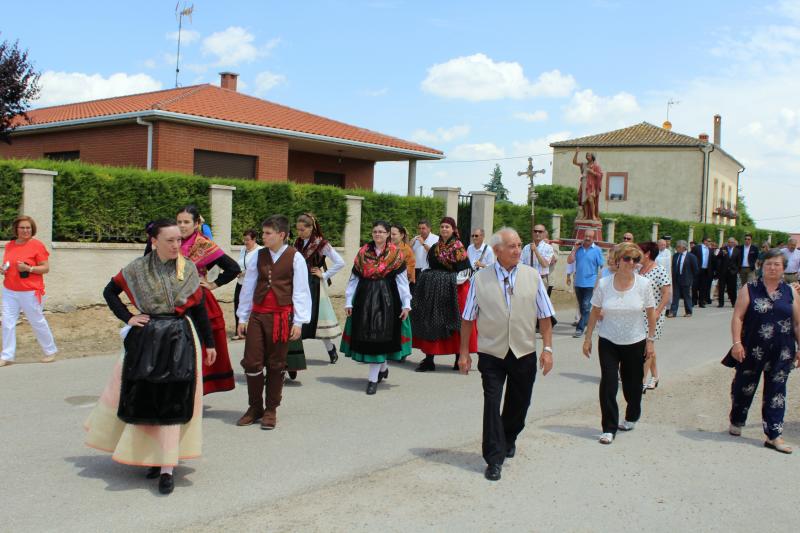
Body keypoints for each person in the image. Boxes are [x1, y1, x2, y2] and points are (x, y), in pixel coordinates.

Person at [84, 219, 216, 495]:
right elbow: (109, 292)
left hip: (179, 337)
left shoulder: (188, 269)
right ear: (154, 241)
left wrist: (209, 343)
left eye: (179, 239)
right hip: (146, 337)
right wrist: (128, 317)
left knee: (173, 399)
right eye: (170, 240)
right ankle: (152, 457)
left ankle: (167, 468)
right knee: (143, 395)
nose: (176, 245)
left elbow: (200, 309)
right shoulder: (137, 269)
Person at [458, 227, 555, 481]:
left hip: (523, 351)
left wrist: (547, 348)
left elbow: (545, 315)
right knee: (491, 403)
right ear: (497, 250)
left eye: (519, 245)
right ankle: (493, 458)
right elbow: (467, 319)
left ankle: (509, 436)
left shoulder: (532, 276)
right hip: (491, 353)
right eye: (512, 246)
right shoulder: (480, 279)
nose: (518, 250)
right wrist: (464, 354)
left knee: (519, 404)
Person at [236, 215, 311, 430]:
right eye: (264, 233)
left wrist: (298, 322)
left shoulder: (295, 257)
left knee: (276, 364)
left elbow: (301, 291)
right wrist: (242, 317)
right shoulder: (257, 256)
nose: (264, 237)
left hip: (281, 317)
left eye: (268, 233)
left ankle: (271, 409)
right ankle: (254, 407)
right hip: (258, 316)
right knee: (251, 362)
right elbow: (248, 287)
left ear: (281, 235)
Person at [582, 243, 656, 445]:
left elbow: (651, 315)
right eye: (626, 259)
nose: (631, 263)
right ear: (618, 260)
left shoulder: (644, 285)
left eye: (635, 260)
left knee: (632, 386)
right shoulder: (604, 283)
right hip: (608, 340)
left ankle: (632, 414)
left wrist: (650, 341)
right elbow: (595, 311)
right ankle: (608, 428)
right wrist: (588, 338)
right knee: (609, 382)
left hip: (635, 341)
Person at [727, 249, 800, 453]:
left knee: (776, 392)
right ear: (761, 266)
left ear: (784, 268)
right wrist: (736, 343)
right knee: (744, 387)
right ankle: (737, 419)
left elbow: (797, 323)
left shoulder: (791, 292)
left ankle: (774, 435)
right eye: (768, 264)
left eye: (777, 264)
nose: (773, 268)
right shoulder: (749, 289)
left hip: (782, 352)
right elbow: (738, 317)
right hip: (752, 350)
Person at [341, 221, 412, 394]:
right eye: (375, 231)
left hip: (387, 298)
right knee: (370, 336)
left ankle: (372, 380)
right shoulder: (363, 252)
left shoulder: (396, 254)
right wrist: (349, 301)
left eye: (381, 232)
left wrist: (406, 304)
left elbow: (402, 282)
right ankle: (382, 367)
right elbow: (354, 278)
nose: (377, 234)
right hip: (364, 297)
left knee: (382, 336)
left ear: (388, 234)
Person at [177, 206, 240, 395]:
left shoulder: (204, 245)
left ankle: (194, 392)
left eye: (186, 222)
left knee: (196, 346)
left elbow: (233, 268)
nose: (181, 225)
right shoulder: (171, 240)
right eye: (179, 221)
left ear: (196, 224)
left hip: (197, 300)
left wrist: (213, 284)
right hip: (172, 299)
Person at [412, 216, 477, 372]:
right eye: (442, 227)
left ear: (453, 229)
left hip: (456, 288)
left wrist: (449, 280)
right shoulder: (435, 247)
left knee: (456, 322)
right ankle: (429, 359)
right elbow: (429, 266)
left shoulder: (459, 248)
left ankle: (458, 358)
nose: (444, 229)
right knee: (431, 321)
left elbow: (466, 271)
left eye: (447, 227)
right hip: (435, 289)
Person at [0, 215, 57, 367]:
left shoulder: (37, 245)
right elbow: (8, 263)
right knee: (7, 322)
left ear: (32, 229)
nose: (25, 230)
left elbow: (46, 268)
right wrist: (3, 269)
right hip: (9, 290)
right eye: (22, 228)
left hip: (30, 291)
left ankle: (50, 351)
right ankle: (6, 356)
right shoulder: (10, 245)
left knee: (36, 321)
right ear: (16, 229)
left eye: (28, 228)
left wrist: (29, 268)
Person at [294, 213, 345, 364]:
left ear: (311, 228)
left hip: (314, 285)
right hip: (298, 282)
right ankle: (295, 355)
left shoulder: (321, 244)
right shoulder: (297, 242)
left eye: (302, 229)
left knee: (317, 319)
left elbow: (340, 262)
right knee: (296, 317)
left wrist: (324, 274)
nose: (299, 232)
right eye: (298, 229)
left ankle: (330, 349)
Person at [638, 242, 672, 392]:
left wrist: (658, 311)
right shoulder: (638, 270)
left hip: (654, 315)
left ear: (647, 254)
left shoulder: (659, 270)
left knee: (647, 348)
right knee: (649, 348)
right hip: (639, 315)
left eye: (639, 251)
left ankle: (642, 381)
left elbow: (666, 293)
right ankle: (656, 376)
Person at [567, 230, 604, 337]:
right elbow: (569, 261)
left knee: (586, 306)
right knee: (583, 307)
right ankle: (588, 321)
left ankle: (580, 328)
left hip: (591, 283)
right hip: (578, 282)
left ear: (593, 238)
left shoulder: (597, 250)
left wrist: (600, 281)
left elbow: (601, 266)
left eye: (590, 236)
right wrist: (574, 248)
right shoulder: (578, 249)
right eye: (586, 236)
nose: (587, 238)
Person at [233, 229, 262, 340]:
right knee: (238, 303)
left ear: (254, 239)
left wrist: (244, 272)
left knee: (251, 306)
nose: (245, 242)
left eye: (248, 240)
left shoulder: (260, 250)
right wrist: (237, 272)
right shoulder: (243, 250)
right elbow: (240, 264)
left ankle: (251, 331)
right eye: (244, 240)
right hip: (240, 282)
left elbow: (258, 268)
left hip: (253, 285)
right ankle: (239, 331)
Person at [521, 224, 555, 295]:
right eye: (535, 231)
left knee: (540, 305)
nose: (537, 233)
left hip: (541, 280)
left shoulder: (548, 248)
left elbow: (545, 264)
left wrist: (536, 251)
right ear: (532, 233)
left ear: (544, 233)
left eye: (540, 231)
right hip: (528, 280)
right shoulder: (526, 247)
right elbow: (521, 264)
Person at [669, 240, 698, 317]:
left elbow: (695, 269)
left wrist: (692, 279)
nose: (677, 248)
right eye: (677, 246)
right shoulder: (675, 256)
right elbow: (673, 266)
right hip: (676, 279)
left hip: (686, 279)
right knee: (675, 296)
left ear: (684, 247)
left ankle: (688, 311)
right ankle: (673, 312)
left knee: (686, 296)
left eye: (678, 247)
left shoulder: (691, 256)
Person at [573, 147, 603, 220]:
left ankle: (593, 215)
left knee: (590, 199)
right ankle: (586, 215)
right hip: (584, 183)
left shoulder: (596, 166)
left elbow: (600, 175)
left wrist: (592, 172)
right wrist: (576, 153)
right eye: (586, 155)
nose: (587, 156)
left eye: (588, 155)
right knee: (584, 201)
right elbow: (574, 162)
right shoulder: (584, 164)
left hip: (591, 184)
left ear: (592, 157)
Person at [717, 237, 740, 307]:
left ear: (734, 243)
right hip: (723, 272)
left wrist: (736, 271)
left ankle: (734, 303)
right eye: (729, 242)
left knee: (732, 288)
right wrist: (722, 254)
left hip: (732, 272)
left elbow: (738, 262)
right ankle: (721, 303)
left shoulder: (737, 251)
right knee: (721, 288)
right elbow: (718, 257)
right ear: (727, 242)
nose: (730, 244)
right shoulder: (723, 249)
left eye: (732, 242)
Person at [691, 237, 713, 307]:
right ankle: (694, 301)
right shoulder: (697, 248)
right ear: (704, 241)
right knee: (695, 286)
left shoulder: (710, 250)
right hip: (697, 269)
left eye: (710, 241)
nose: (709, 242)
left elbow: (712, 260)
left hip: (706, 270)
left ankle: (701, 302)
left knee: (703, 287)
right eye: (708, 241)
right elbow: (692, 257)